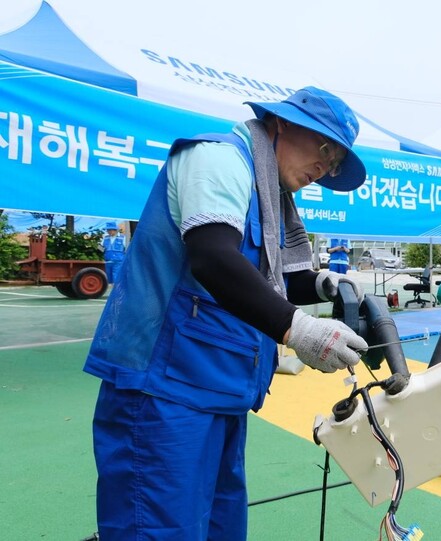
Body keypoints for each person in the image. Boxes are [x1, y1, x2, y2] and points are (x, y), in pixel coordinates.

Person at [83, 87, 371, 540]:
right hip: (163, 389)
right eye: (324, 148)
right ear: (281, 123)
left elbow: (273, 277)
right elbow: (213, 257)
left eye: (335, 161)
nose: (325, 167)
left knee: (218, 527)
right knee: (158, 528)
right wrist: (299, 328)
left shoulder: (269, 193)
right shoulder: (219, 159)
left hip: (218, 390)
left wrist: (323, 284)